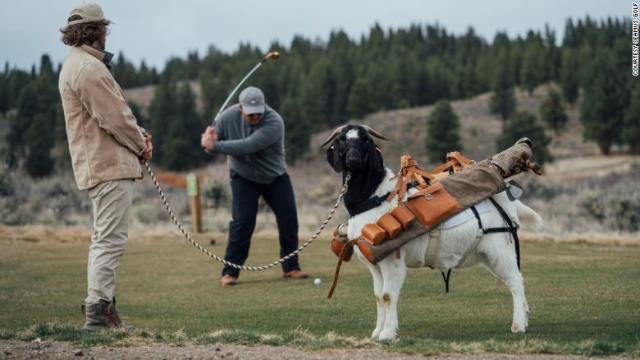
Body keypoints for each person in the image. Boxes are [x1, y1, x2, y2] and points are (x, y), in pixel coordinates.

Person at [58, 3, 153, 331]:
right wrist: (141, 144)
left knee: (105, 238)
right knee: (109, 240)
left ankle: (103, 311)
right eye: (103, 29)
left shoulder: (78, 65)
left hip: (102, 163)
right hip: (108, 165)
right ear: (98, 31)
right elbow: (113, 118)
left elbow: (110, 118)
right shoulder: (88, 69)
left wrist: (137, 137)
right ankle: (99, 314)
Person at [201, 86, 308, 286]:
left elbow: (249, 145)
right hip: (243, 177)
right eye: (251, 114)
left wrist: (214, 146)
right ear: (240, 108)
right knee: (243, 222)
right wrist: (209, 143)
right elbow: (212, 147)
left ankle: (291, 267)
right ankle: (230, 272)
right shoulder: (225, 118)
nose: (256, 116)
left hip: (275, 176)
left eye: (259, 112)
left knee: (288, 219)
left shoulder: (274, 121)